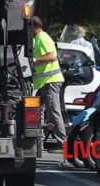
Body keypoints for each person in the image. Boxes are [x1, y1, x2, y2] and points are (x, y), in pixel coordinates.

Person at [28, 16, 67, 150]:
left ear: (34, 27)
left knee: (53, 112)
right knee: (38, 110)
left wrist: (35, 60)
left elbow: (51, 56)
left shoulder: (42, 38)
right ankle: (39, 139)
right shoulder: (39, 38)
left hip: (50, 81)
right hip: (45, 82)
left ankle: (64, 144)